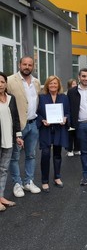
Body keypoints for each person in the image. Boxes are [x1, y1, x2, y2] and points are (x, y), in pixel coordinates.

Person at [7, 56, 41, 197]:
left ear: (33, 66)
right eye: (24, 64)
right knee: (14, 157)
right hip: (17, 126)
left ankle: (29, 181)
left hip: (33, 125)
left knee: (31, 155)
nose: (27, 67)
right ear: (19, 65)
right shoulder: (9, 81)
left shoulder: (36, 82)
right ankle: (17, 183)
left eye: (30, 65)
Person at [37, 76, 70, 193]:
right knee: (45, 154)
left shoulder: (64, 97)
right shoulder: (41, 98)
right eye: (50, 83)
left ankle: (57, 177)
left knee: (57, 154)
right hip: (45, 129)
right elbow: (37, 113)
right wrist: (42, 120)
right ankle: (45, 181)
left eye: (55, 83)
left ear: (59, 85)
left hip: (59, 128)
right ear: (47, 85)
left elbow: (68, 112)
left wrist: (65, 118)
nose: (53, 86)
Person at [0, 72, 24, 211]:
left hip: (8, 139)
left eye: (2, 81)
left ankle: (1, 196)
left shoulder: (11, 98)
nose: (0, 84)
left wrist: (18, 136)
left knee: (3, 170)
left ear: (5, 84)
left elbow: (15, 118)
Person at [66, 79, 80, 157]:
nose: (75, 85)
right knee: (70, 135)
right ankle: (70, 149)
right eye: (73, 84)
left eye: (75, 84)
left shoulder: (78, 93)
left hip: (77, 117)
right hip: (70, 117)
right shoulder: (67, 94)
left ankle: (77, 149)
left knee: (77, 135)